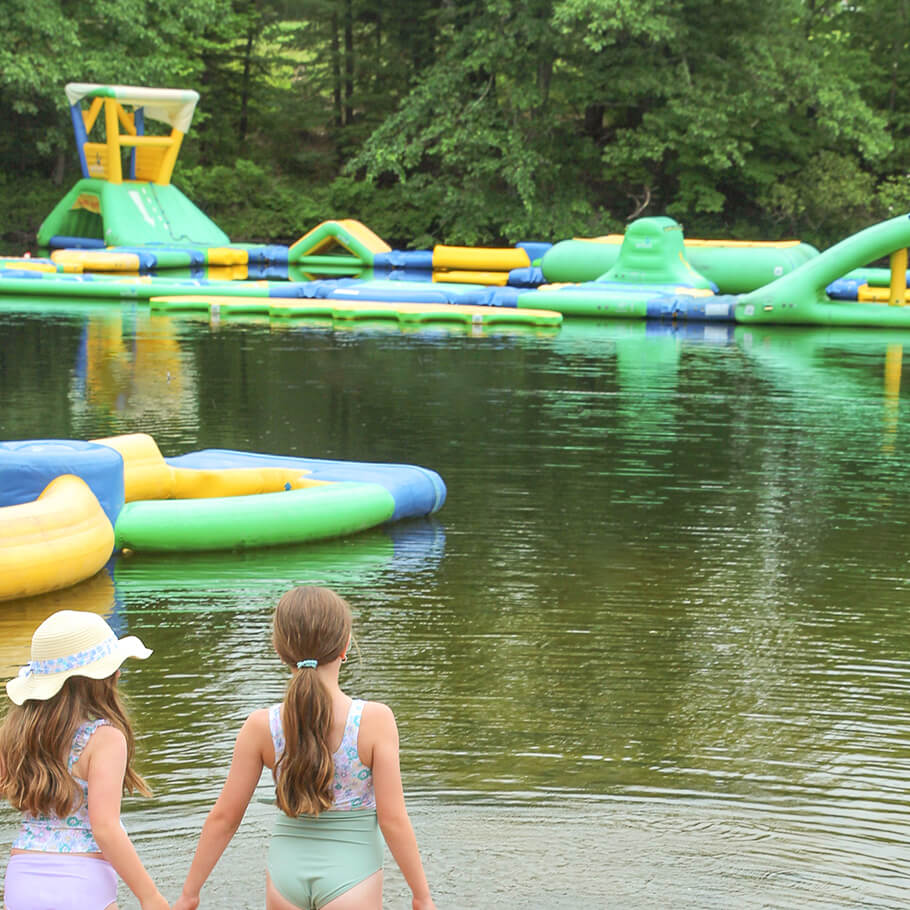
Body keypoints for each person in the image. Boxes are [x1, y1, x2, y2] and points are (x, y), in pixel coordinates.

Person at [173, 585, 436, 910]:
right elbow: (392, 819)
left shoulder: (261, 726)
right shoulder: (374, 720)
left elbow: (224, 818)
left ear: (280, 649)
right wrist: (421, 896)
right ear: (344, 647)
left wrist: (190, 893)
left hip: (286, 877)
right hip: (353, 875)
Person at [0, 609, 168, 910]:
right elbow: (105, 828)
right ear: (102, 678)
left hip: (22, 880)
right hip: (83, 883)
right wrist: (150, 896)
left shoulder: (12, 733)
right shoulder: (104, 739)